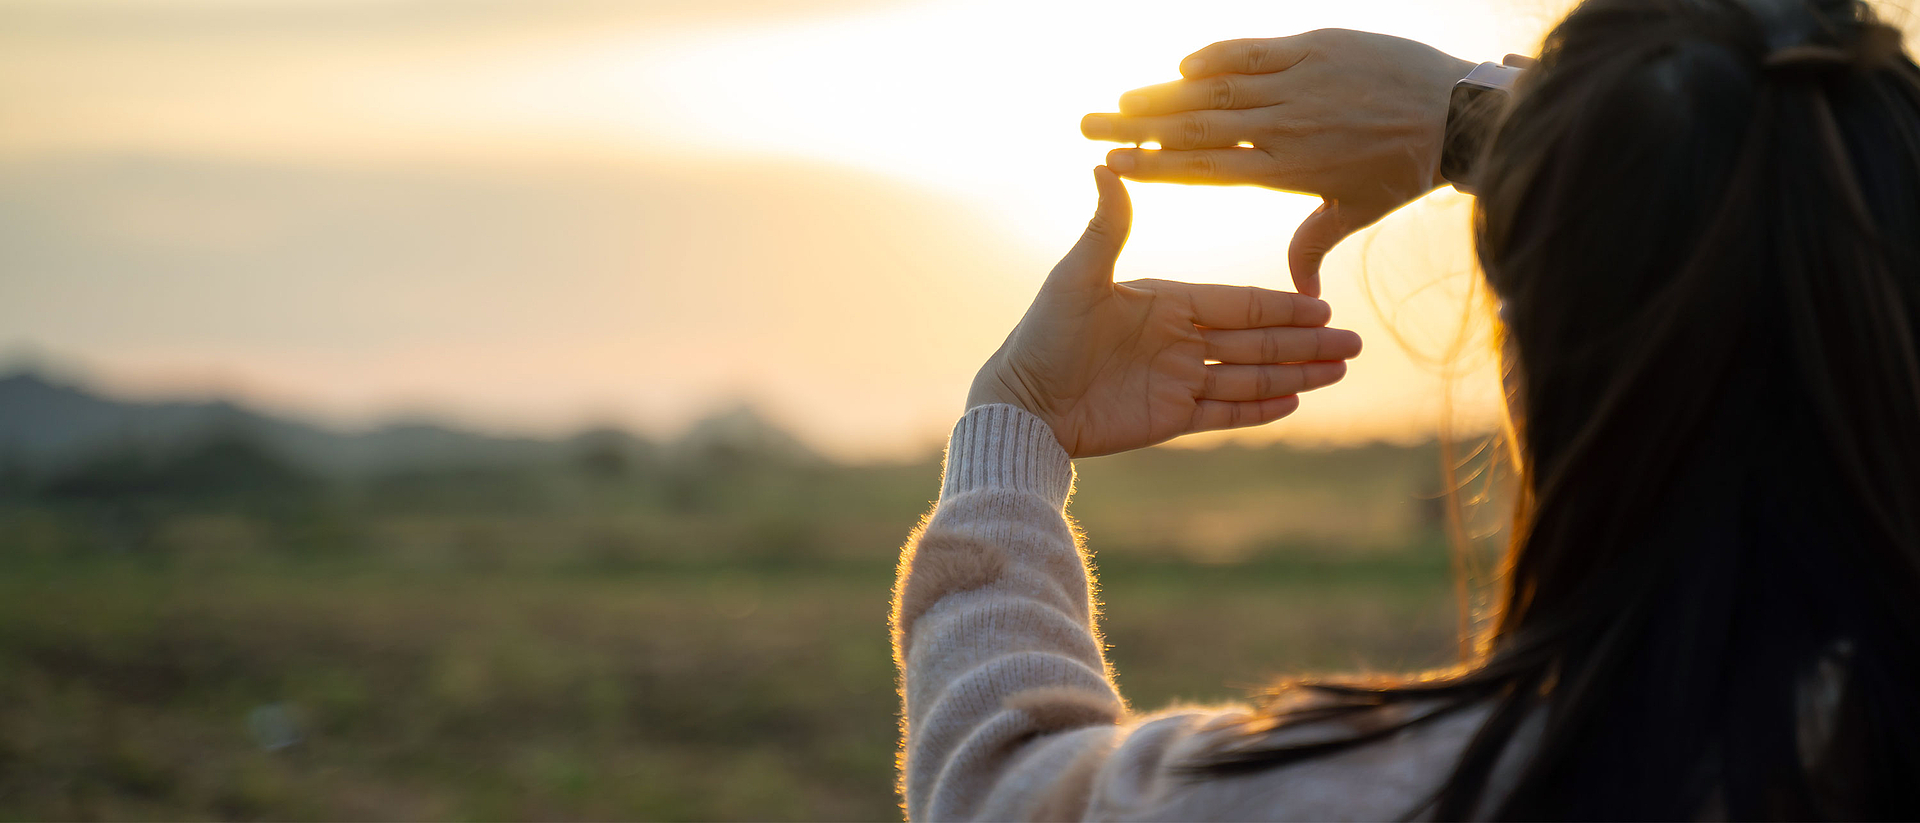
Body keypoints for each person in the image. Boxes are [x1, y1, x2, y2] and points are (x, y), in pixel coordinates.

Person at [890, 0, 1920, 819]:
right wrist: (1474, 116)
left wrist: (1014, 423)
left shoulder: (1408, 789)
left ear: (1537, 359)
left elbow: (1000, 785)